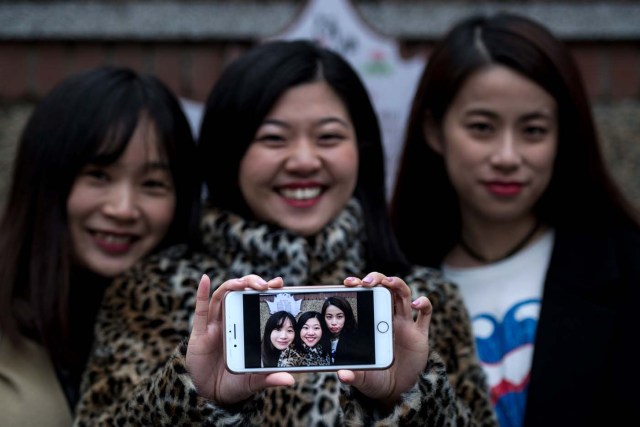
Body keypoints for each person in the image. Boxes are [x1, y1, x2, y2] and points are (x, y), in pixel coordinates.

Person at [74, 39, 497, 426]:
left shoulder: (420, 303)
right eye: (273, 138)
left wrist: (409, 400)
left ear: (361, 150)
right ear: (230, 151)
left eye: (328, 137)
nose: (303, 160)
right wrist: (194, 398)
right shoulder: (153, 292)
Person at [390, 12, 640, 427]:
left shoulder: (627, 270)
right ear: (434, 130)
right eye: (482, 127)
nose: (507, 156)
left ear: (563, 137)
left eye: (534, 130)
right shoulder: (389, 284)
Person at [0, 66, 201, 426]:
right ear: (43, 180)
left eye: (153, 184)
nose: (122, 209)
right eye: (98, 175)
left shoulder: (200, 336)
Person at [321, 295, 369, 365]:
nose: (334, 322)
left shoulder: (358, 341)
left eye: (339, 317)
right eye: (329, 317)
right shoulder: (318, 339)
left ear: (347, 317)